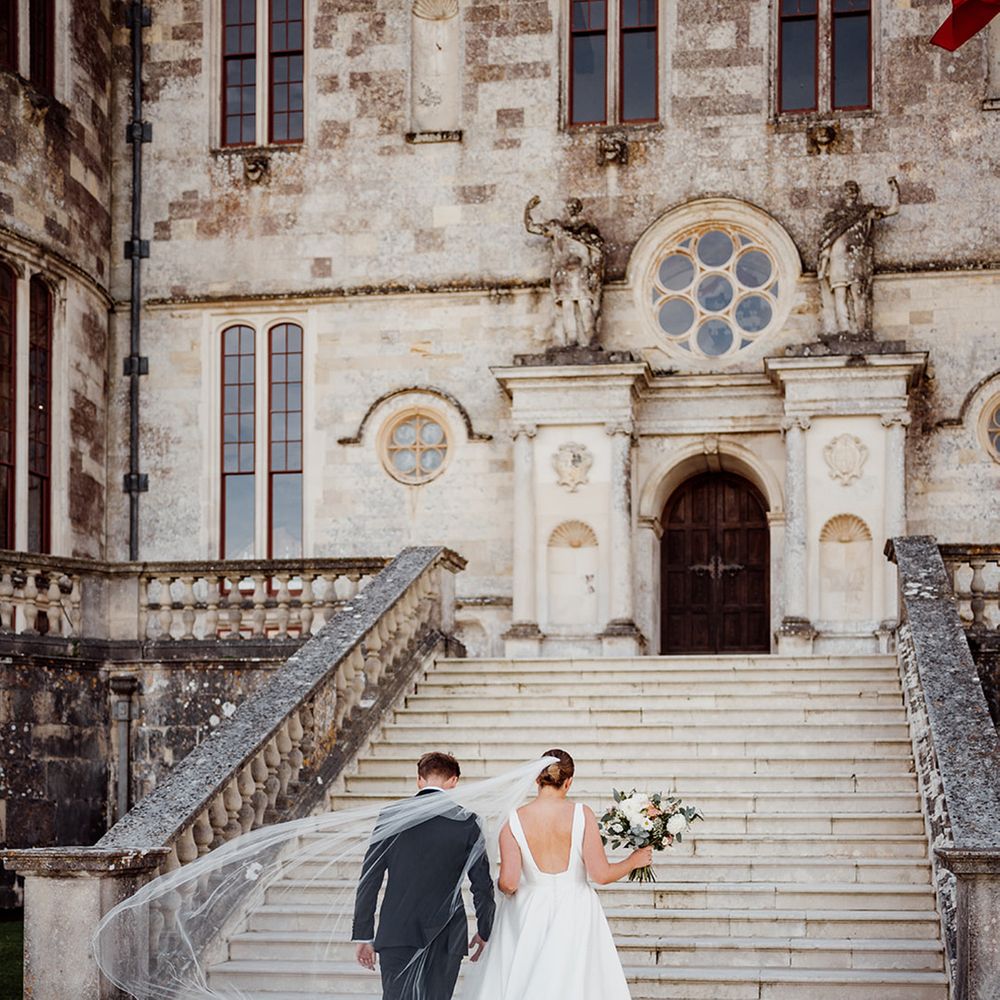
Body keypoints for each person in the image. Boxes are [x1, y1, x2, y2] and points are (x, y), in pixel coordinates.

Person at [464, 749, 652, 1000]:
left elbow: (509, 883)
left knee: (527, 978)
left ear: (536, 779)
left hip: (529, 910)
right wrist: (633, 861)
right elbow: (601, 874)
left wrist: (502, 884)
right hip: (576, 908)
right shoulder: (582, 814)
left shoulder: (513, 820)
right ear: (569, 781)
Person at [352, 751, 495, 1000]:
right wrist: (485, 929)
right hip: (447, 933)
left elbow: (370, 878)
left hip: (398, 929)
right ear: (453, 781)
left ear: (420, 780)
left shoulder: (391, 816)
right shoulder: (467, 822)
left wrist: (364, 933)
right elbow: (482, 884)